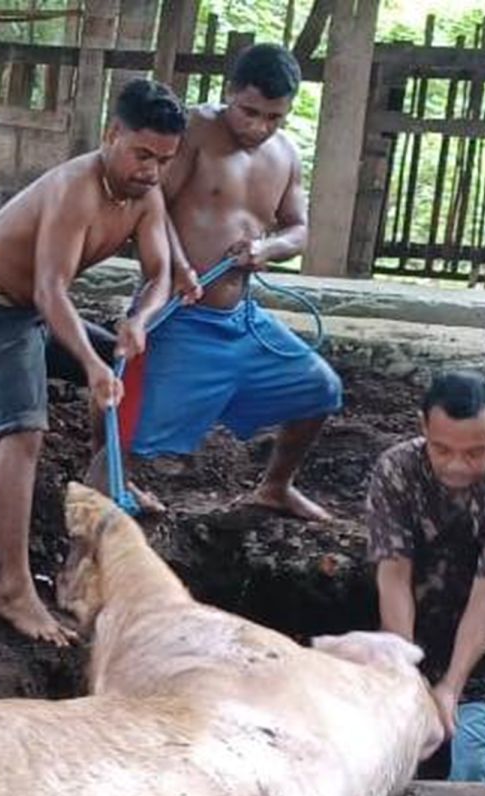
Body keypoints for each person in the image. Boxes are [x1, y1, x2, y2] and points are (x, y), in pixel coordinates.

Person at [0, 78, 185, 646]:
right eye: (142, 154)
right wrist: (93, 367)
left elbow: (160, 275)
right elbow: (50, 291)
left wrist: (137, 322)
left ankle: (107, 482)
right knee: (24, 429)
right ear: (111, 134)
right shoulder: (77, 188)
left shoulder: (146, 194)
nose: (151, 170)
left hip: (30, 311)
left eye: (164, 161)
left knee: (130, 363)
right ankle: (13, 589)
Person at [112, 43, 342, 520]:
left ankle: (276, 486)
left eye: (274, 117)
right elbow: (151, 206)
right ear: (229, 93)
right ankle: (112, 487)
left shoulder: (285, 153)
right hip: (177, 315)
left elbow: (298, 228)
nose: (259, 127)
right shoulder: (192, 131)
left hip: (242, 319)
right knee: (128, 419)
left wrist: (266, 250)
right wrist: (177, 267)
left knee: (321, 388)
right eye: (249, 111)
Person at [367, 370, 485, 783]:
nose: (457, 465)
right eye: (442, 449)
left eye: (475, 452)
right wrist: (406, 667)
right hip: (412, 637)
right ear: (423, 427)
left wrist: (451, 686)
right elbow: (393, 573)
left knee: (472, 770)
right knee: (387, 763)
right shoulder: (396, 469)